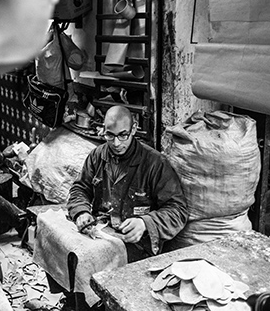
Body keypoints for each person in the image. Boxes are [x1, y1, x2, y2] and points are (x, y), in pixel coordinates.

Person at [67, 105, 188, 263]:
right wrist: (81, 212)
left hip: (136, 245)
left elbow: (177, 210)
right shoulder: (97, 156)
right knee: (67, 251)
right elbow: (80, 189)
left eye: (123, 135)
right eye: (110, 135)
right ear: (103, 130)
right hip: (100, 232)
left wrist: (145, 223)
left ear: (134, 129)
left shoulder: (155, 163)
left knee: (98, 263)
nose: (116, 143)